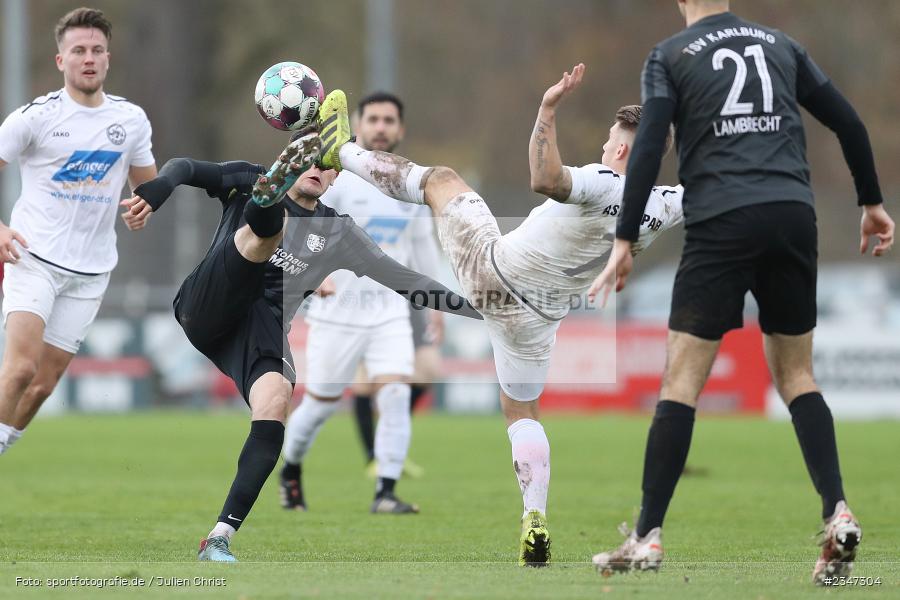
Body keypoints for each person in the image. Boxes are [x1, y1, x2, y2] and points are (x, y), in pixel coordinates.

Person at [314, 65, 684, 566]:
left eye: (608, 141)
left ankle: (342, 150)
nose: (603, 148)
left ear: (621, 151)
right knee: (522, 413)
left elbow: (545, 178)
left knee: (439, 180)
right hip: (537, 322)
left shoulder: (601, 180)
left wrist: (548, 108)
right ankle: (533, 515)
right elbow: (714, 196)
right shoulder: (663, 206)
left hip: (493, 272)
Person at [589, 0, 894, 585]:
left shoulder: (671, 55)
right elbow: (849, 122)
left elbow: (650, 142)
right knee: (797, 376)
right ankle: (837, 511)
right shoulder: (781, 45)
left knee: (682, 381)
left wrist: (623, 237)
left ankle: (647, 537)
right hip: (791, 212)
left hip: (723, 218)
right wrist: (871, 203)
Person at [126, 90, 481, 562]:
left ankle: (219, 538)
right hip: (209, 300)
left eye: (326, 162)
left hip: (261, 326)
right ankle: (268, 202)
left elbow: (407, 280)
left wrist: (485, 307)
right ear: (291, 157)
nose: (318, 167)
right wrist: (158, 190)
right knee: (261, 230)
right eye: (306, 157)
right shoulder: (246, 177)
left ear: (336, 175)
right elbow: (186, 166)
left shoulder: (340, 232)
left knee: (276, 402)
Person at [0, 7, 156, 454]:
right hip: (33, 259)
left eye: (97, 50)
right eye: (79, 51)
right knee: (19, 371)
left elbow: (147, 186)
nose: (89, 58)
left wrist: (144, 207)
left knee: (42, 387)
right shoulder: (34, 118)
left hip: (90, 272)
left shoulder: (130, 120)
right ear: (60, 60)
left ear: (108, 58)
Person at [280, 92, 439, 514]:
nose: (382, 127)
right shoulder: (337, 178)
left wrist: (435, 306)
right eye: (374, 119)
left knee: (395, 394)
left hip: (389, 314)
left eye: (390, 120)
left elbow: (422, 252)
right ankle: (290, 469)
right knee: (319, 405)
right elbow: (305, 228)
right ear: (356, 124)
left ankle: (385, 492)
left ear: (400, 129)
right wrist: (316, 277)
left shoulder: (410, 185)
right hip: (337, 315)